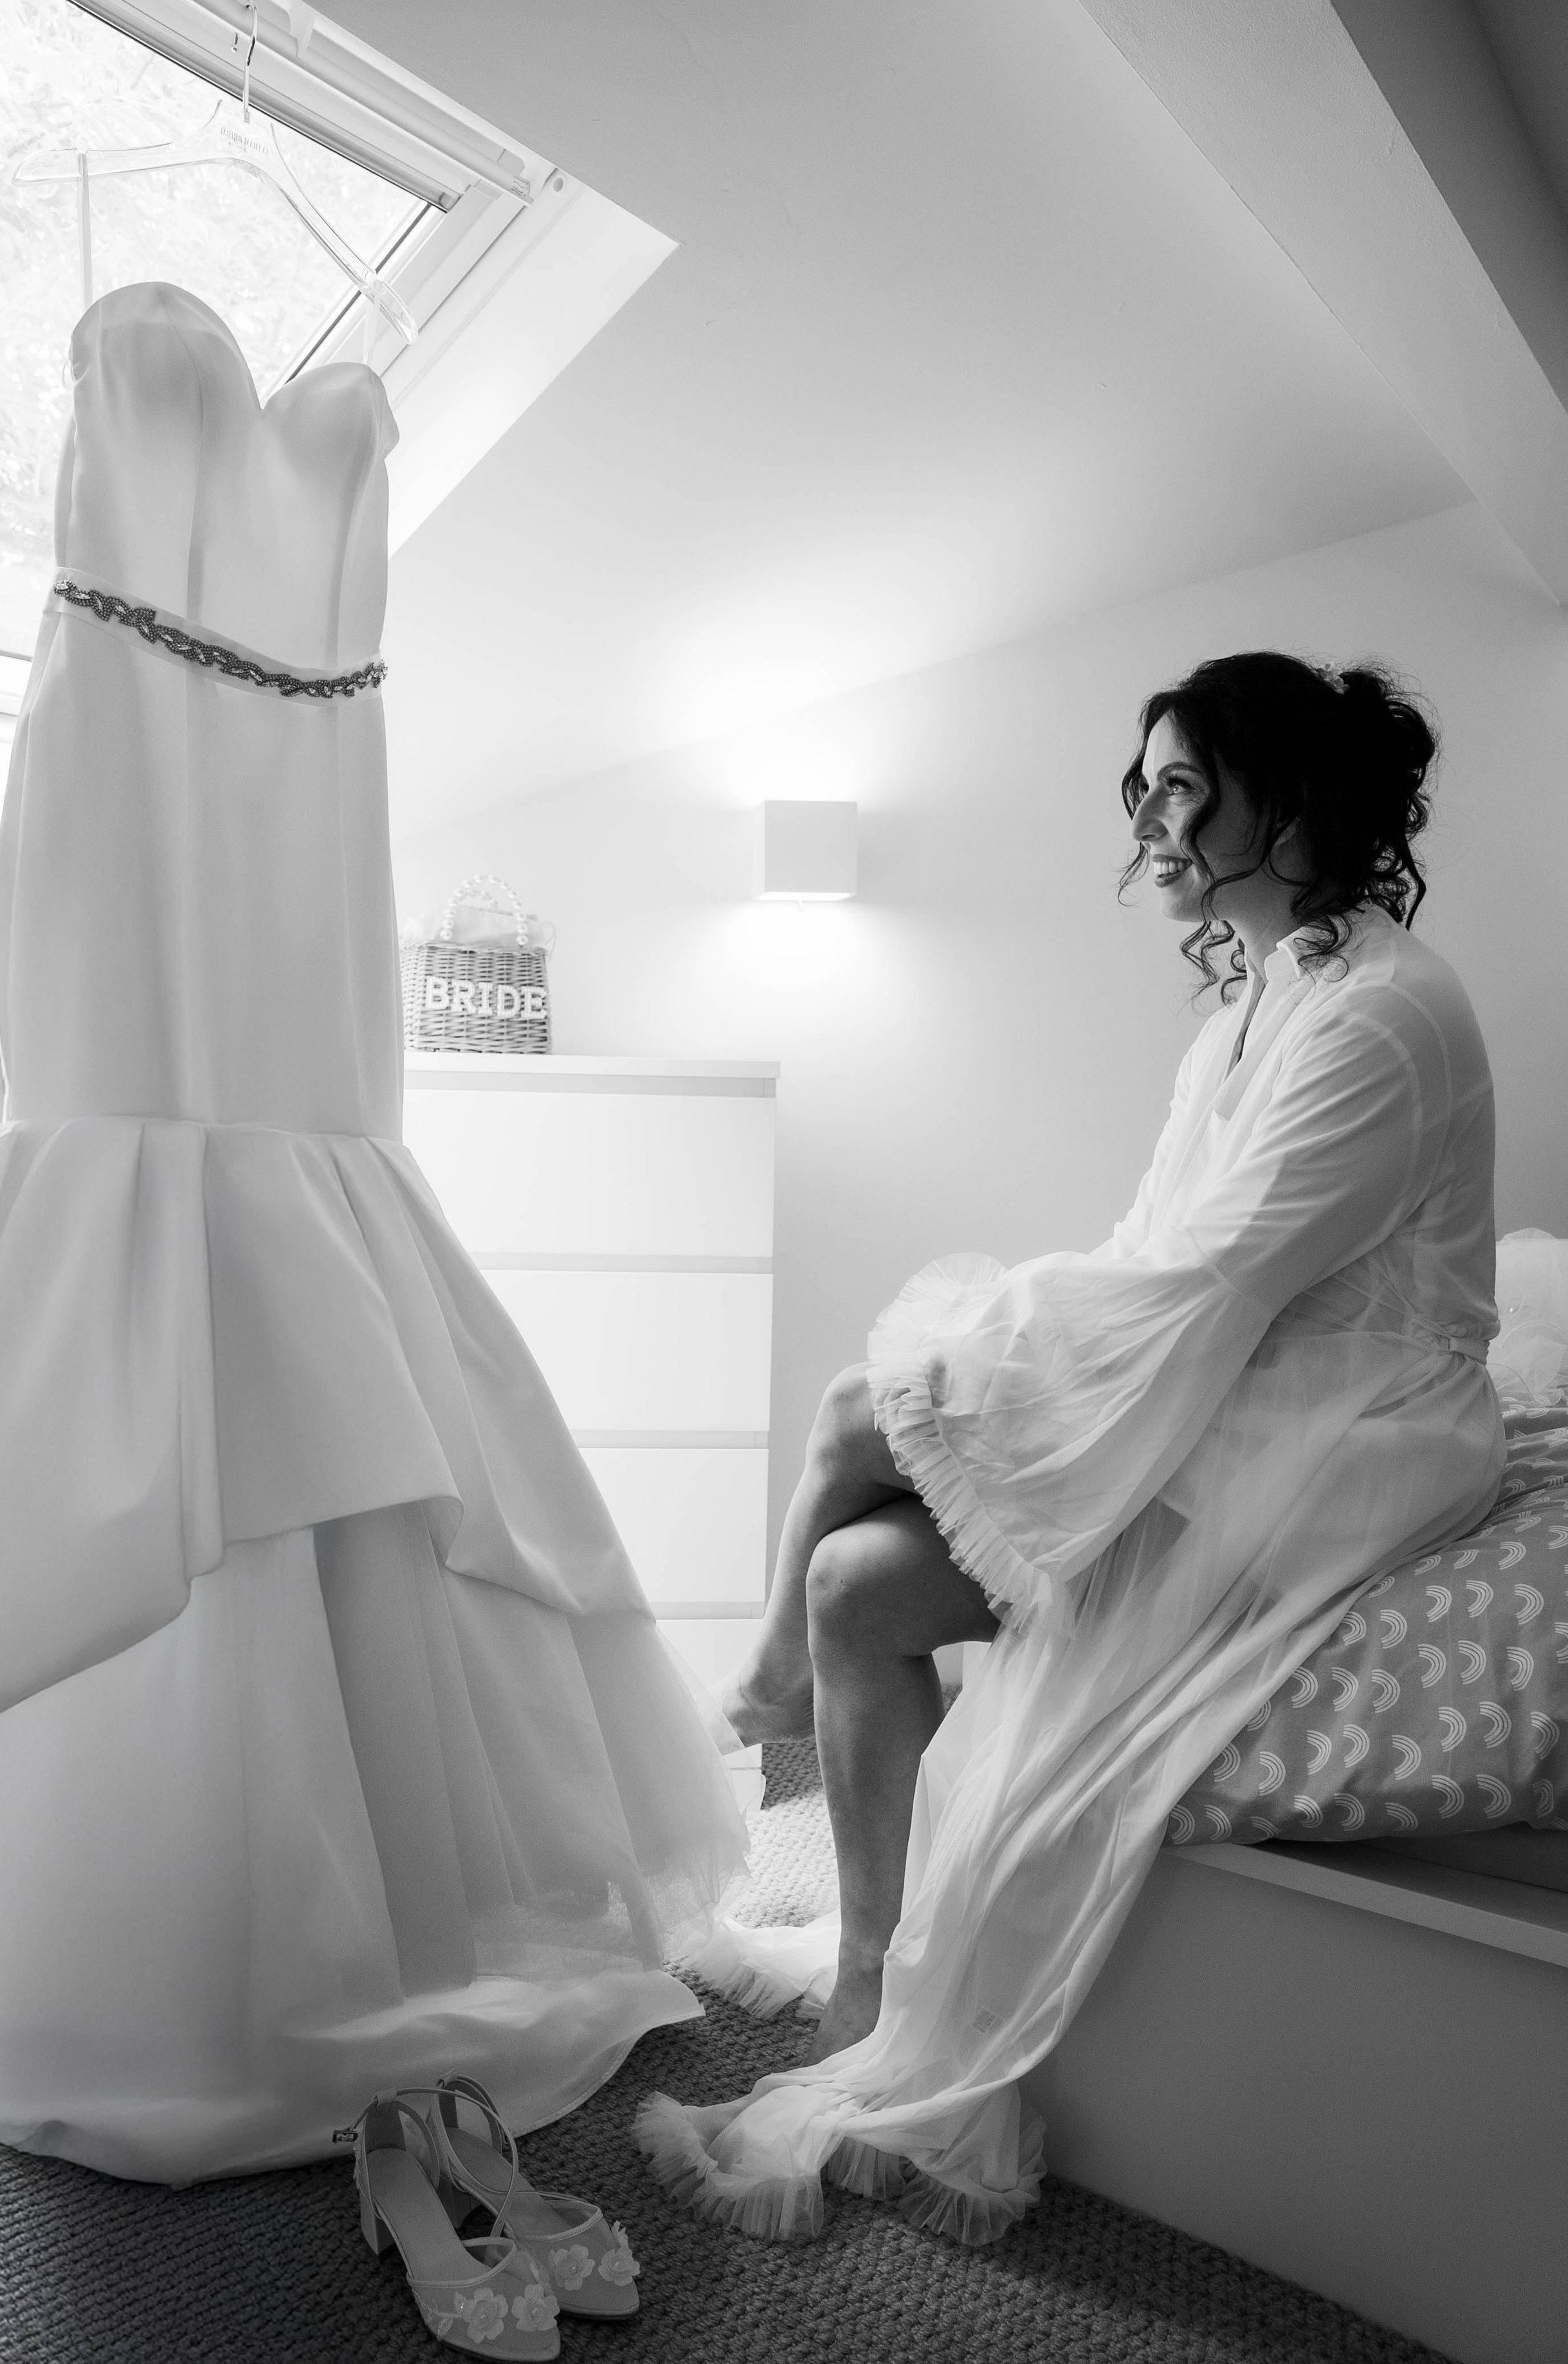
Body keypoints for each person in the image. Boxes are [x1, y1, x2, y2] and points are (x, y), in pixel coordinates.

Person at [0, 282, 747, 2184]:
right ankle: (195, 1946)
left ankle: (300, 1947)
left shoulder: (258, 426)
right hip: (145, 839)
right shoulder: (217, 436)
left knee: (314, 1347)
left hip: (304, 882)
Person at [643, 650, 1505, 2241]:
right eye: (1151, 788)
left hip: (1346, 1422)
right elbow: (1152, 1242)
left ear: (1289, 799)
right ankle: (856, 1968)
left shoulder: (1382, 1012)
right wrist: (1009, 1376)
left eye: (1186, 787)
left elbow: (1211, 1276)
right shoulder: (1253, 1003)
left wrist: (986, 1376)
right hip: (1238, 1367)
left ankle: (756, 1687)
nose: (1153, 823)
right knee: (855, 1581)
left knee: (861, 1402)